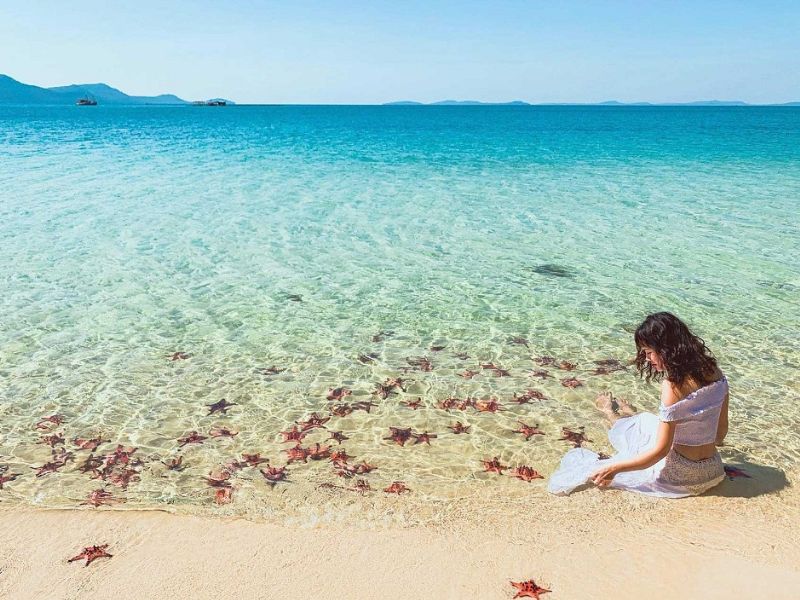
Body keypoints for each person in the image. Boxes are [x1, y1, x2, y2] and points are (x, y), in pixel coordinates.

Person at [547, 312, 729, 498]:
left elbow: (660, 452)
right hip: (713, 471)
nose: (648, 358)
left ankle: (611, 412)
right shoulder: (716, 373)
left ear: (666, 349)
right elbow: (720, 435)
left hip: (680, 479)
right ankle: (624, 415)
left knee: (641, 426)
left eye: (649, 352)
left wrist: (615, 468)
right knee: (648, 423)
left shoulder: (672, 387)